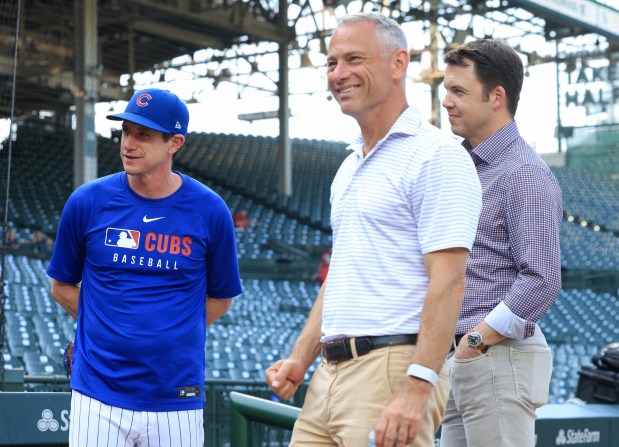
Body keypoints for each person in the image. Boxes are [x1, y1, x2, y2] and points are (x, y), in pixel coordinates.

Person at [265, 13, 482, 447]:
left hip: (392, 367)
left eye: (353, 59)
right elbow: (340, 278)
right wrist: (300, 358)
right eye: (331, 63)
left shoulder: (436, 155)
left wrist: (418, 386)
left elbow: (449, 281)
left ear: (399, 63)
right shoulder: (349, 167)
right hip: (328, 373)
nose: (338, 74)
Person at [46, 88, 243, 447]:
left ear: (174, 143)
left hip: (176, 393)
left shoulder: (211, 211)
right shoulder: (87, 202)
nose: (129, 144)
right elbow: (61, 286)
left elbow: (221, 297)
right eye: (126, 131)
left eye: (144, 135)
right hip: (98, 391)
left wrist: (167, 332)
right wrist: (108, 328)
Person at [440, 39, 562, 447]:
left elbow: (542, 279)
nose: (446, 101)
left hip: (495, 357)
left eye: (458, 91)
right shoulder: (463, 167)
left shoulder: (523, 172)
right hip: (466, 361)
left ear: (497, 97)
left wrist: (474, 342)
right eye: (446, 89)